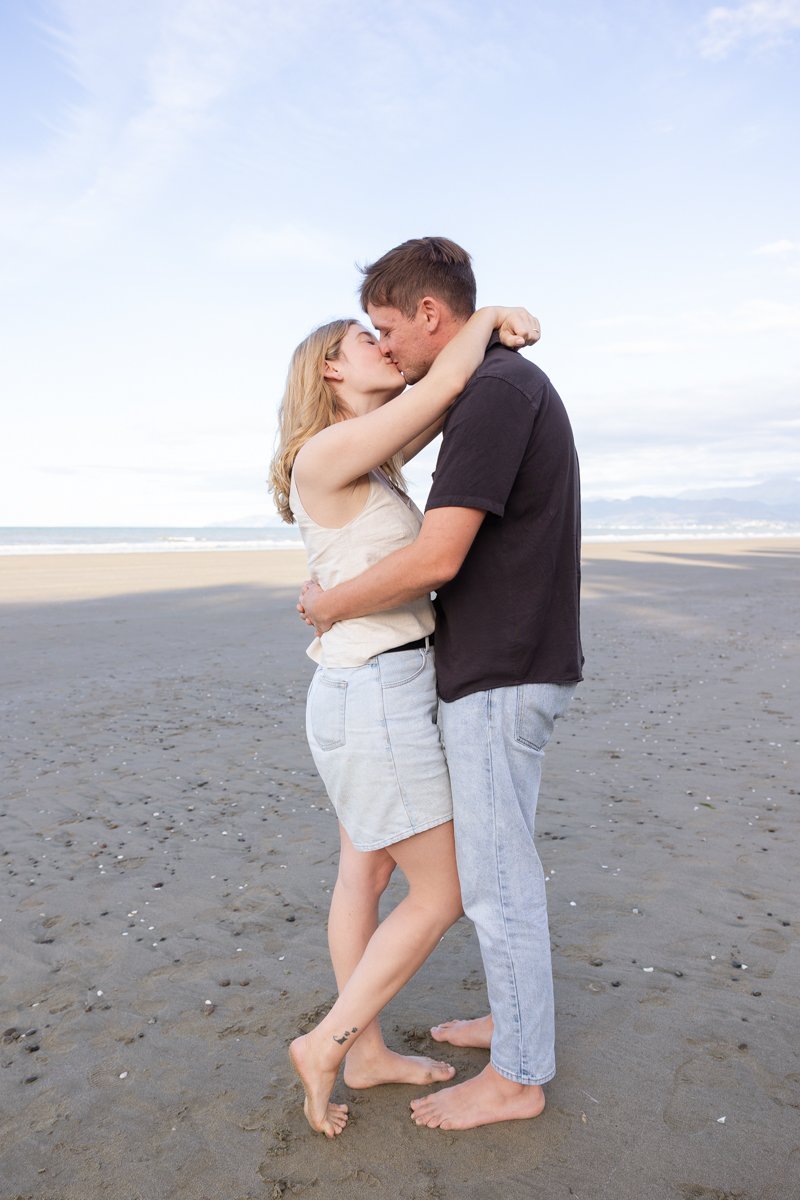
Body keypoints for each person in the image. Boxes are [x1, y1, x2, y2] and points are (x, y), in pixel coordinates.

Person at [298, 236, 583, 1132]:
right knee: (422, 873)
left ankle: (509, 1067)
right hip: (399, 683)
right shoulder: (352, 444)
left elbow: (438, 549)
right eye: (365, 339)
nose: (384, 345)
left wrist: (330, 603)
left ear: (429, 317)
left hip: (479, 670)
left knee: (479, 877)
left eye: (388, 327)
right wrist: (491, 318)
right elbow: (437, 390)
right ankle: (395, 1040)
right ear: (330, 378)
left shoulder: (483, 393)